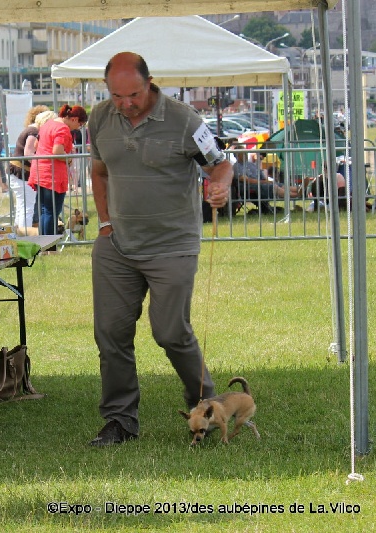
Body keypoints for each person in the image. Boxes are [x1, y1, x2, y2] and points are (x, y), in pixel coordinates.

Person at [87, 52, 233, 446]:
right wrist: (104, 223)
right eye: (117, 96)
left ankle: (206, 404)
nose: (126, 103)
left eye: (133, 94)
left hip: (172, 245)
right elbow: (99, 172)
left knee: (170, 332)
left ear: (150, 82)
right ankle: (120, 420)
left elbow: (220, 164)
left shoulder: (184, 120)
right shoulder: (99, 118)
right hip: (117, 246)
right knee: (110, 334)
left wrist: (220, 186)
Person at [30, 104, 88, 235]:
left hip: (39, 171)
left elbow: (36, 145)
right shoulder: (62, 128)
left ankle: (44, 242)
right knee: (52, 211)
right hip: (52, 174)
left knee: (45, 210)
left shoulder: (48, 124)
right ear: (74, 119)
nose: (78, 128)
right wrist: (69, 159)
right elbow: (57, 151)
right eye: (80, 124)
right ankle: (50, 244)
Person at [8, 105, 49, 235]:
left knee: (22, 208)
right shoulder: (33, 132)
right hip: (22, 174)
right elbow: (28, 153)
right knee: (27, 209)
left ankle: (17, 236)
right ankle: (25, 237)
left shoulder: (31, 130)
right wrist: (42, 165)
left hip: (19, 173)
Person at [232, 149, 299, 214]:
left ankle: (299, 190)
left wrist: (265, 180)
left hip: (260, 184)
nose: (246, 155)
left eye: (245, 153)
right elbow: (246, 180)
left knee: (279, 185)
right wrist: (263, 182)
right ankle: (296, 195)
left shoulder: (251, 164)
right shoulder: (236, 167)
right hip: (249, 188)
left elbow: (261, 175)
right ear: (237, 155)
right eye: (243, 153)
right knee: (273, 186)